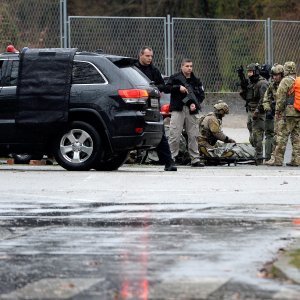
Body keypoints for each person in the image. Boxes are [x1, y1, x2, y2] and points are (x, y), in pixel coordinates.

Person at [135, 46, 177, 171]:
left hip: (152, 107)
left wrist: (153, 87)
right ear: (140, 55)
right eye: (147, 56)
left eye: (151, 56)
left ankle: (169, 162)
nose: (150, 58)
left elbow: (163, 87)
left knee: (160, 134)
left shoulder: (154, 70)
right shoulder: (134, 69)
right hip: (135, 105)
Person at [166, 58, 205, 167]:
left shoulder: (196, 80)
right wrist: (178, 87)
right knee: (174, 134)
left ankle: (195, 159)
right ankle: (171, 158)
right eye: (187, 66)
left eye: (191, 66)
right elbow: (166, 88)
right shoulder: (175, 78)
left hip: (191, 111)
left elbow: (201, 95)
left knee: (193, 135)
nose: (189, 68)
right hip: (178, 109)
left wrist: (194, 104)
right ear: (182, 66)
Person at [265, 61, 300, 167]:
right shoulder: (297, 80)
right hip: (298, 112)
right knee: (297, 138)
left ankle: (278, 160)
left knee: (281, 136)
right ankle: (296, 160)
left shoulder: (285, 81)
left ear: (286, 70)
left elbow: (280, 98)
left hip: (288, 113)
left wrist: (277, 111)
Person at [241, 63, 268, 164]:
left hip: (259, 112)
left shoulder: (262, 83)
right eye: (248, 72)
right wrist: (243, 87)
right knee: (252, 136)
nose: (249, 74)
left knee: (258, 135)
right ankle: (256, 154)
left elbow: (264, 99)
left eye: (251, 71)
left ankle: (259, 157)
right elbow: (247, 98)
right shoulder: (251, 82)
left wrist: (257, 110)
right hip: (250, 110)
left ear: (256, 71)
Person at [262, 63, 284, 161]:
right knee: (274, 136)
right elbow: (266, 98)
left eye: (277, 75)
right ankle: (272, 157)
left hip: (286, 114)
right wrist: (268, 109)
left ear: (282, 75)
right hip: (275, 114)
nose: (275, 77)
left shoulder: (286, 85)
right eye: (273, 75)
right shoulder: (272, 86)